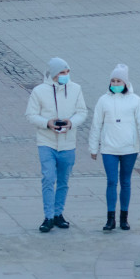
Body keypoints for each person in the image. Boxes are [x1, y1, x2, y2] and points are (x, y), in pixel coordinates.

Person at [25, 58, 88, 233]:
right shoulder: (39, 91)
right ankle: (48, 216)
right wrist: (47, 123)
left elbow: (82, 112)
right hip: (47, 142)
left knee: (63, 180)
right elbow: (30, 115)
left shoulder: (76, 89)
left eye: (67, 72)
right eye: (62, 72)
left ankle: (59, 213)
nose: (65, 75)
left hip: (68, 142)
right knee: (48, 178)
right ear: (54, 74)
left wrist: (71, 123)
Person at [89, 63, 140, 231]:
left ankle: (124, 217)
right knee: (111, 181)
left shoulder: (135, 100)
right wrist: (93, 148)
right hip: (109, 148)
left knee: (125, 181)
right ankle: (110, 218)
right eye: (113, 81)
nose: (115, 84)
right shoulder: (103, 100)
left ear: (125, 83)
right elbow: (96, 124)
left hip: (129, 148)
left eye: (118, 81)